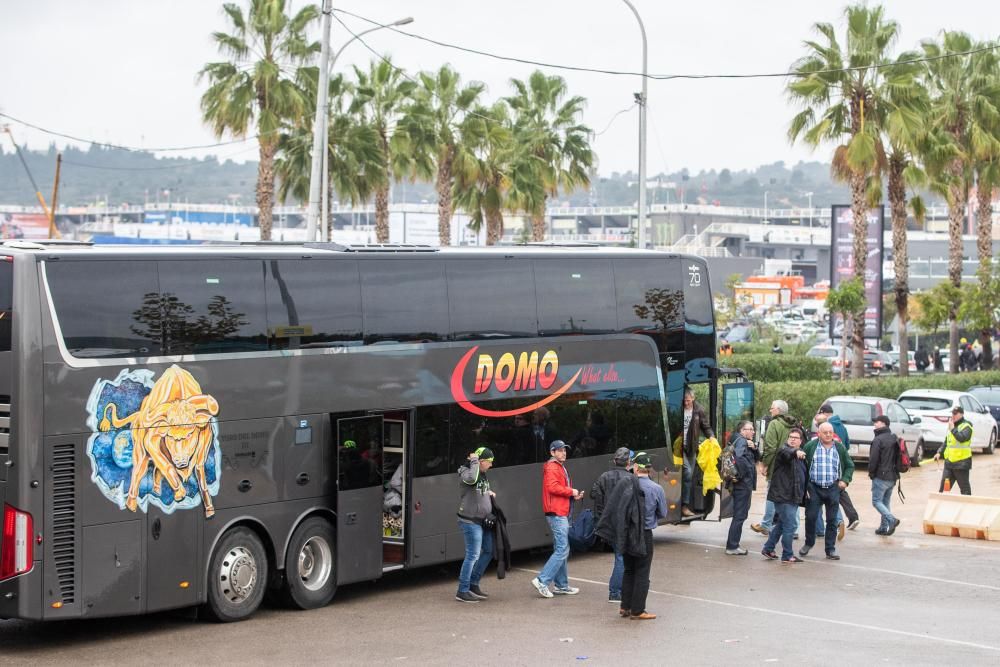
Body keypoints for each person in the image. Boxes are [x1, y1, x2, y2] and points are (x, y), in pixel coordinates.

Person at [531, 440, 584, 599]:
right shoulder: (553, 467)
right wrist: (571, 491)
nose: (563, 453)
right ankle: (542, 580)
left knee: (560, 548)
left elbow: (555, 490)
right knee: (562, 549)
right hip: (557, 513)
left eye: (564, 450)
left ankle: (562, 585)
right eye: (559, 450)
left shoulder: (557, 466)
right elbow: (552, 487)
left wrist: (573, 496)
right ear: (552, 452)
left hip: (559, 511)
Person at [619, 452, 667, 620]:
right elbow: (663, 512)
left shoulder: (626, 485)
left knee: (629, 569)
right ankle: (638, 610)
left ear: (636, 467)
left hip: (626, 533)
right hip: (644, 534)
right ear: (649, 468)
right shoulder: (657, 488)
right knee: (642, 572)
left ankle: (625, 606)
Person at [800, 423, 855, 560]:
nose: (829, 435)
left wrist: (844, 480)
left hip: (832, 488)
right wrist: (805, 486)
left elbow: (849, 465)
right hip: (814, 488)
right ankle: (808, 543)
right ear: (819, 433)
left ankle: (830, 549)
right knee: (811, 517)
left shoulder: (839, 448)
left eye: (830, 432)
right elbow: (801, 466)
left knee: (832, 520)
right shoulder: (810, 446)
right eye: (825, 432)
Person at [591, 447, 633, 604]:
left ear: (615, 461)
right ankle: (615, 592)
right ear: (628, 462)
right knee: (621, 558)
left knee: (620, 557)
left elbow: (594, 494)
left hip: (609, 523)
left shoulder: (604, 477)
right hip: (625, 524)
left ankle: (618, 591)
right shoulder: (630, 478)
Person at [455, 447, 497, 603]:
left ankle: (473, 584)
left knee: (489, 550)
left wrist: (489, 493)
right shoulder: (466, 471)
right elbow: (472, 480)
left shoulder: (482, 473)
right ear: (481, 461)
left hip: (482, 520)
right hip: (469, 520)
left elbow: (477, 489)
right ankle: (462, 590)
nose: (491, 465)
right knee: (473, 555)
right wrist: (474, 461)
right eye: (489, 462)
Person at [761, 427, 808, 563]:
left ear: (801, 440)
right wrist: (796, 452)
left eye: (796, 438)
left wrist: (806, 490)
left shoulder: (801, 456)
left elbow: (802, 476)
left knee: (782, 524)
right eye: (791, 437)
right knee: (790, 525)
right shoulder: (784, 451)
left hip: (793, 496)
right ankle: (787, 555)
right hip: (783, 496)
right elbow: (788, 452)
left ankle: (768, 548)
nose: (793, 439)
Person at [752, 400, 798, 536]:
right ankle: (793, 529)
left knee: (772, 495)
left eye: (772, 408)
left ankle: (766, 524)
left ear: (778, 410)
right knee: (791, 497)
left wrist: (764, 464)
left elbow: (770, 448)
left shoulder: (774, 424)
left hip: (777, 467)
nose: (770, 410)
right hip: (792, 465)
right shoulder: (792, 424)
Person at [814, 403, 860, 536]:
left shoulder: (824, 429)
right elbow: (847, 445)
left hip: (829, 472)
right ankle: (851, 518)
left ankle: (837, 522)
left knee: (831, 498)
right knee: (839, 495)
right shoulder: (842, 427)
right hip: (840, 469)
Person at [725, 421, 760, 556]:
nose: (752, 431)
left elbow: (756, 458)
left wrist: (754, 448)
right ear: (741, 430)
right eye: (749, 429)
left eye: (753, 429)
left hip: (740, 484)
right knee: (740, 515)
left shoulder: (739, 440)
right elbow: (739, 460)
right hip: (742, 485)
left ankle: (733, 544)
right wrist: (742, 475)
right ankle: (732, 546)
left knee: (739, 515)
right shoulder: (741, 442)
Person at [680, 388, 714, 517]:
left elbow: (706, 426)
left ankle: (684, 505)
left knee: (689, 477)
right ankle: (683, 505)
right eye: (684, 400)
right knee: (687, 473)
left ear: (693, 399)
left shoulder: (699, 410)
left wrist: (711, 436)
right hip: (678, 448)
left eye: (688, 400)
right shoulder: (679, 407)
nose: (686, 403)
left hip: (691, 448)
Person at [868, 416, 901, 536]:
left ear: (884, 424)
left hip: (881, 476)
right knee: (885, 503)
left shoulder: (878, 440)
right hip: (893, 477)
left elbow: (873, 459)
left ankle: (892, 520)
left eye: (877, 422)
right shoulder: (893, 437)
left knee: (876, 501)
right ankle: (883, 527)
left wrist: (871, 473)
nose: (875, 424)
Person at [933, 406, 974, 495]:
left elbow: (962, 438)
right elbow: (947, 441)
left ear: (962, 414)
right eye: (952, 413)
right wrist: (939, 452)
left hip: (961, 464)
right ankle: (941, 507)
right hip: (949, 464)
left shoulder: (967, 426)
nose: (953, 415)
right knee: (943, 490)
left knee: (965, 491)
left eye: (955, 414)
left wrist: (952, 429)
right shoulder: (952, 426)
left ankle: (966, 508)